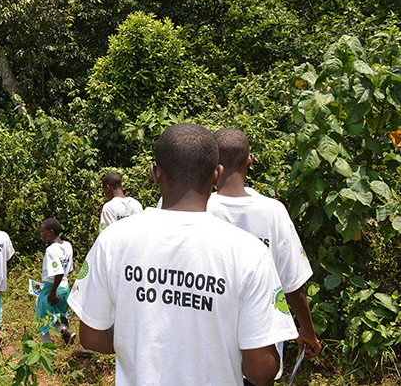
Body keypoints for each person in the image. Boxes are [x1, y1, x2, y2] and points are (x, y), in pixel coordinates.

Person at [69, 123, 297, 386]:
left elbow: (92, 336)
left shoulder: (113, 240)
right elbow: (262, 371)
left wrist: (143, 344)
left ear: (155, 173)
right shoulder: (250, 253)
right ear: (216, 174)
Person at [207, 128, 322, 378]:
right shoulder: (273, 211)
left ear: (213, 164)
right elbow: (291, 283)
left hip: (208, 348)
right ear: (250, 159)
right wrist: (307, 331)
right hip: (260, 346)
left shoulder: (198, 207)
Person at [36, 218, 75, 346]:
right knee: (57, 313)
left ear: (51, 232)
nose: (41, 234)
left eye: (43, 231)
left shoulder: (51, 250)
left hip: (52, 287)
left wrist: (52, 291)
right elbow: (68, 270)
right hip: (64, 287)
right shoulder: (68, 246)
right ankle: (65, 335)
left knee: (41, 317)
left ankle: (49, 348)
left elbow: (58, 272)